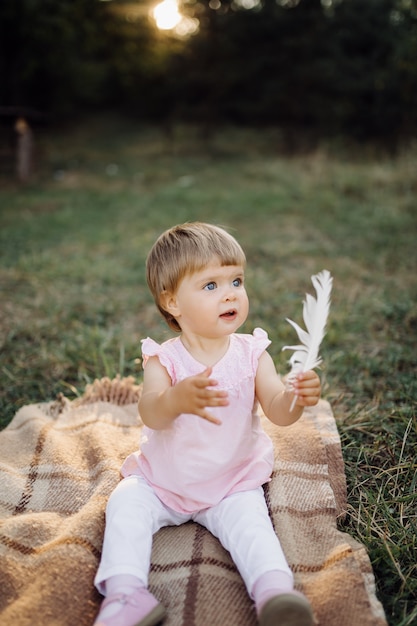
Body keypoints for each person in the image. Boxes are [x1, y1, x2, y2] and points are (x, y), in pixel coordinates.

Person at [93, 222, 321, 626]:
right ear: (173, 302)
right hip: (163, 481)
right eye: (211, 286)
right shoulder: (164, 359)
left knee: (252, 527)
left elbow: (278, 411)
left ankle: (273, 593)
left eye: (236, 280)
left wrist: (296, 398)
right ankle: (127, 594)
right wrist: (175, 399)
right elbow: (150, 411)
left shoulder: (252, 353)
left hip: (231, 482)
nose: (231, 292)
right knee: (125, 503)